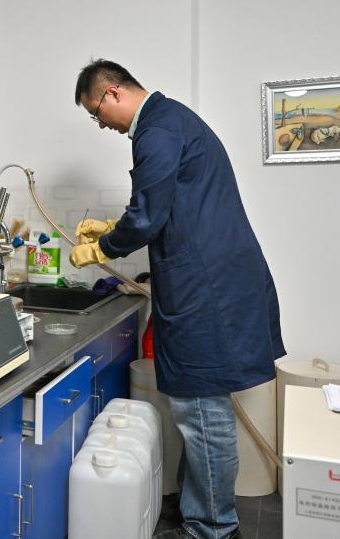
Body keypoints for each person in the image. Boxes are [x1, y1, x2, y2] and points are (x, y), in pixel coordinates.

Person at [70, 59, 285, 539]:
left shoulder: (158, 131)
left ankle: (213, 527)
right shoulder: (170, 121)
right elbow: (167, 206)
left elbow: (148, 217)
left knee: (202, 414)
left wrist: (103, 248)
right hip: (211, 283)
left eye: (96, 113)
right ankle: (197, 507)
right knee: (198, 410)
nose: (101, 124)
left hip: (208, 291)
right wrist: (114, 227)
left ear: (112, 93)